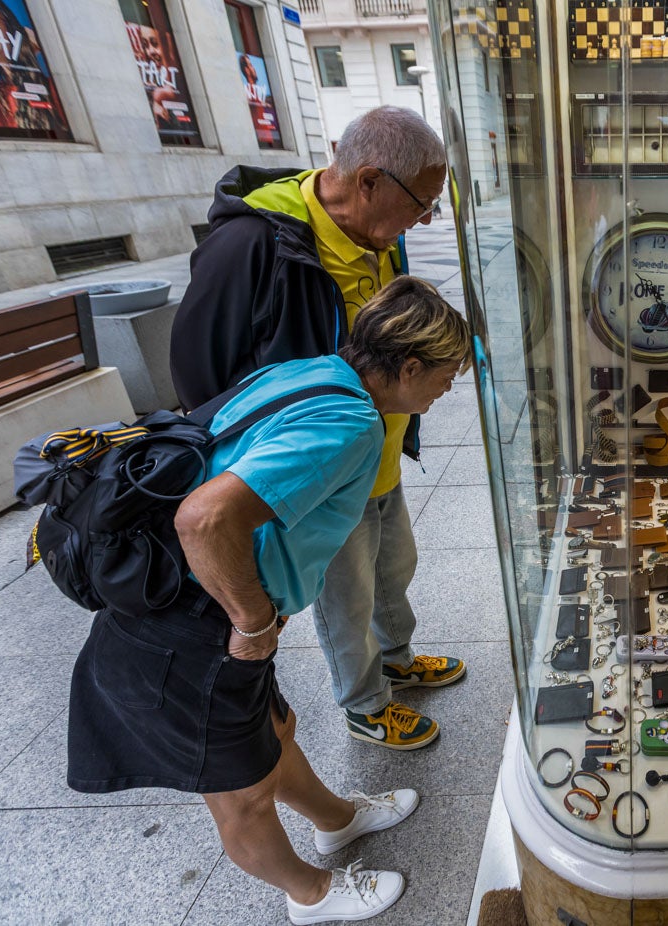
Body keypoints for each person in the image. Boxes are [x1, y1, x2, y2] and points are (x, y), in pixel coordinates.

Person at [70, 278, 471, 923]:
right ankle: (310, 894)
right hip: (193, 620)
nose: (448, 390)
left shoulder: (320, 371)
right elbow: (204, 519)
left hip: (200, 595)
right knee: (241, 793)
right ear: (410, 365)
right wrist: (252, 622)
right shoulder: (352, 422)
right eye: (447, 375)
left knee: (273, 730)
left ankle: (337, 820)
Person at [170, 106, 465, 752]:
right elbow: (202, 377)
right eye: (422, 204)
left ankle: (398, 656)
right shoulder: (253, 245)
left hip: (375, 452)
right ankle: (365, 702)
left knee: (393, 569)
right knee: (345, 598)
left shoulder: (378, 230)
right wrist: (272, 461)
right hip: (318, 466)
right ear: (368, 181)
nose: (424, 219)